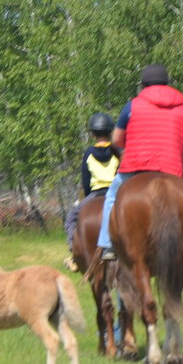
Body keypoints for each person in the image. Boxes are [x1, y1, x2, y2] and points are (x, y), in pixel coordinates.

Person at [96, 63, 183, 262]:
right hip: (173, 166)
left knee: (112, 195)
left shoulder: (132, 106)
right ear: (167, 84)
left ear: (143, 85)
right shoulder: (182, 107)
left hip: (136, 164)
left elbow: (116, 139)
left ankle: (107, 244)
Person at [63, 112, 119, 267]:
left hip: (95, 194)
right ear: (110, 132)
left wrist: (89, 199)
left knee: (71, 219)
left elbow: (86, 180)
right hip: (115, 194)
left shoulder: (88, 153)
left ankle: (74, 253)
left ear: (93, 133)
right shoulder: (117, 151)